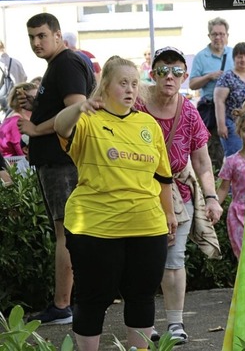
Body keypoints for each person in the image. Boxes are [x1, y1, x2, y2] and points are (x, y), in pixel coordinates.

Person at [53, 55, 176, 351]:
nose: (130, 89)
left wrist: (169, 214)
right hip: (95, 227)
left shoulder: (148, 124)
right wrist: (78, 108)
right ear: (105, 85)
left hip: (147, 226)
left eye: (135, 83)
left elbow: (162, 177)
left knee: (142, 296)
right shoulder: (88, 120)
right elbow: (60, 127)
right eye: (123, 83)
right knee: (93, 298)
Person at [136, 46, 223, 344]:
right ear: (153, 74)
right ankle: (143, 324)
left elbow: (201, 159)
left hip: (178, 192)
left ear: (185, 76)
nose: (169, 77)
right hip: (140, 193)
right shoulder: (136, 103)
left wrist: (211, 197)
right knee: (142, 261)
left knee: (174, 260)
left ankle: (175, 323)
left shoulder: (188, 110)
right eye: (162, 70)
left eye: (176, 71)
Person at [19, 13, 96, 325]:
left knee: (67, 234)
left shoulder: (65, 62)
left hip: (62, 164)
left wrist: (36, 129)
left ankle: (63, 304)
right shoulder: (60, 64)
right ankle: (71, 302)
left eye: (41, 36)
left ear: (57, 34)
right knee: (68, 233)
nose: (37, 43)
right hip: (57, 163)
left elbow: (77, 108)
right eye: (32, 38)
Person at [189, 17, 234, 173]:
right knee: (213, 151)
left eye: (221, 34)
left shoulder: (234, 54)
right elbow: (192, 84)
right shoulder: (201, 57)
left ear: (227, 35)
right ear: (209, 36)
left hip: (233, 110)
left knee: (234, 152)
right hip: (210, 111)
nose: (218, 38)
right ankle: (213, 186)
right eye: (214, 34)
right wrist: (209, 76)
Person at [216, 108, 245, 258]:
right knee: (244, 260)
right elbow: (223, 189)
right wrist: (213, 208)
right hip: (238, 216)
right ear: (239, 132)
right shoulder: (232, 161)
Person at [214, 42, 245, 157]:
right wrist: (221, 125)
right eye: (240, 57)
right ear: (234, 58)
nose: (243, 59)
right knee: (236, 156)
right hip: (233, 123)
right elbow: (219, 101)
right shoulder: (227, 77)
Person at [0, 82, 37, 157]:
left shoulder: (13, 119)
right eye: (34, 98)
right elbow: (25, 155)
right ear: (21, 101)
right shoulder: (16, 123)